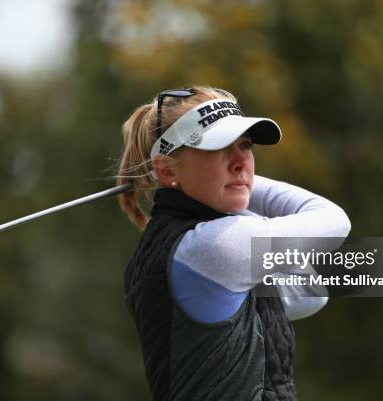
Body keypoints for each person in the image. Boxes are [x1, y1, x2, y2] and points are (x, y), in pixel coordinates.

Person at [117, 85, 351, 401]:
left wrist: (232, 183)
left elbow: (310, 290)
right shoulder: (214, 246)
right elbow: (334, 222)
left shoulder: (178, 245)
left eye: (245, 146)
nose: (241, 161)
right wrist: (244, 185)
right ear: (167, 169)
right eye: (219, 147)